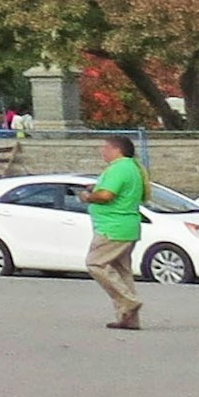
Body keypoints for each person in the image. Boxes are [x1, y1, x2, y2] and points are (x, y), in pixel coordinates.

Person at [83, 134, 148, 330]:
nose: (102, 151)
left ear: (116, 150)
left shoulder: (119, 168)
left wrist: (88, 196)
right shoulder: (133, 168)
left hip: (112, 227)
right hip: (127, 225)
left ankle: (128, 301)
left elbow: (106, 195)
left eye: (105, 148)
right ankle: (128, 318)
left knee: (95, 263)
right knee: (122, 272)